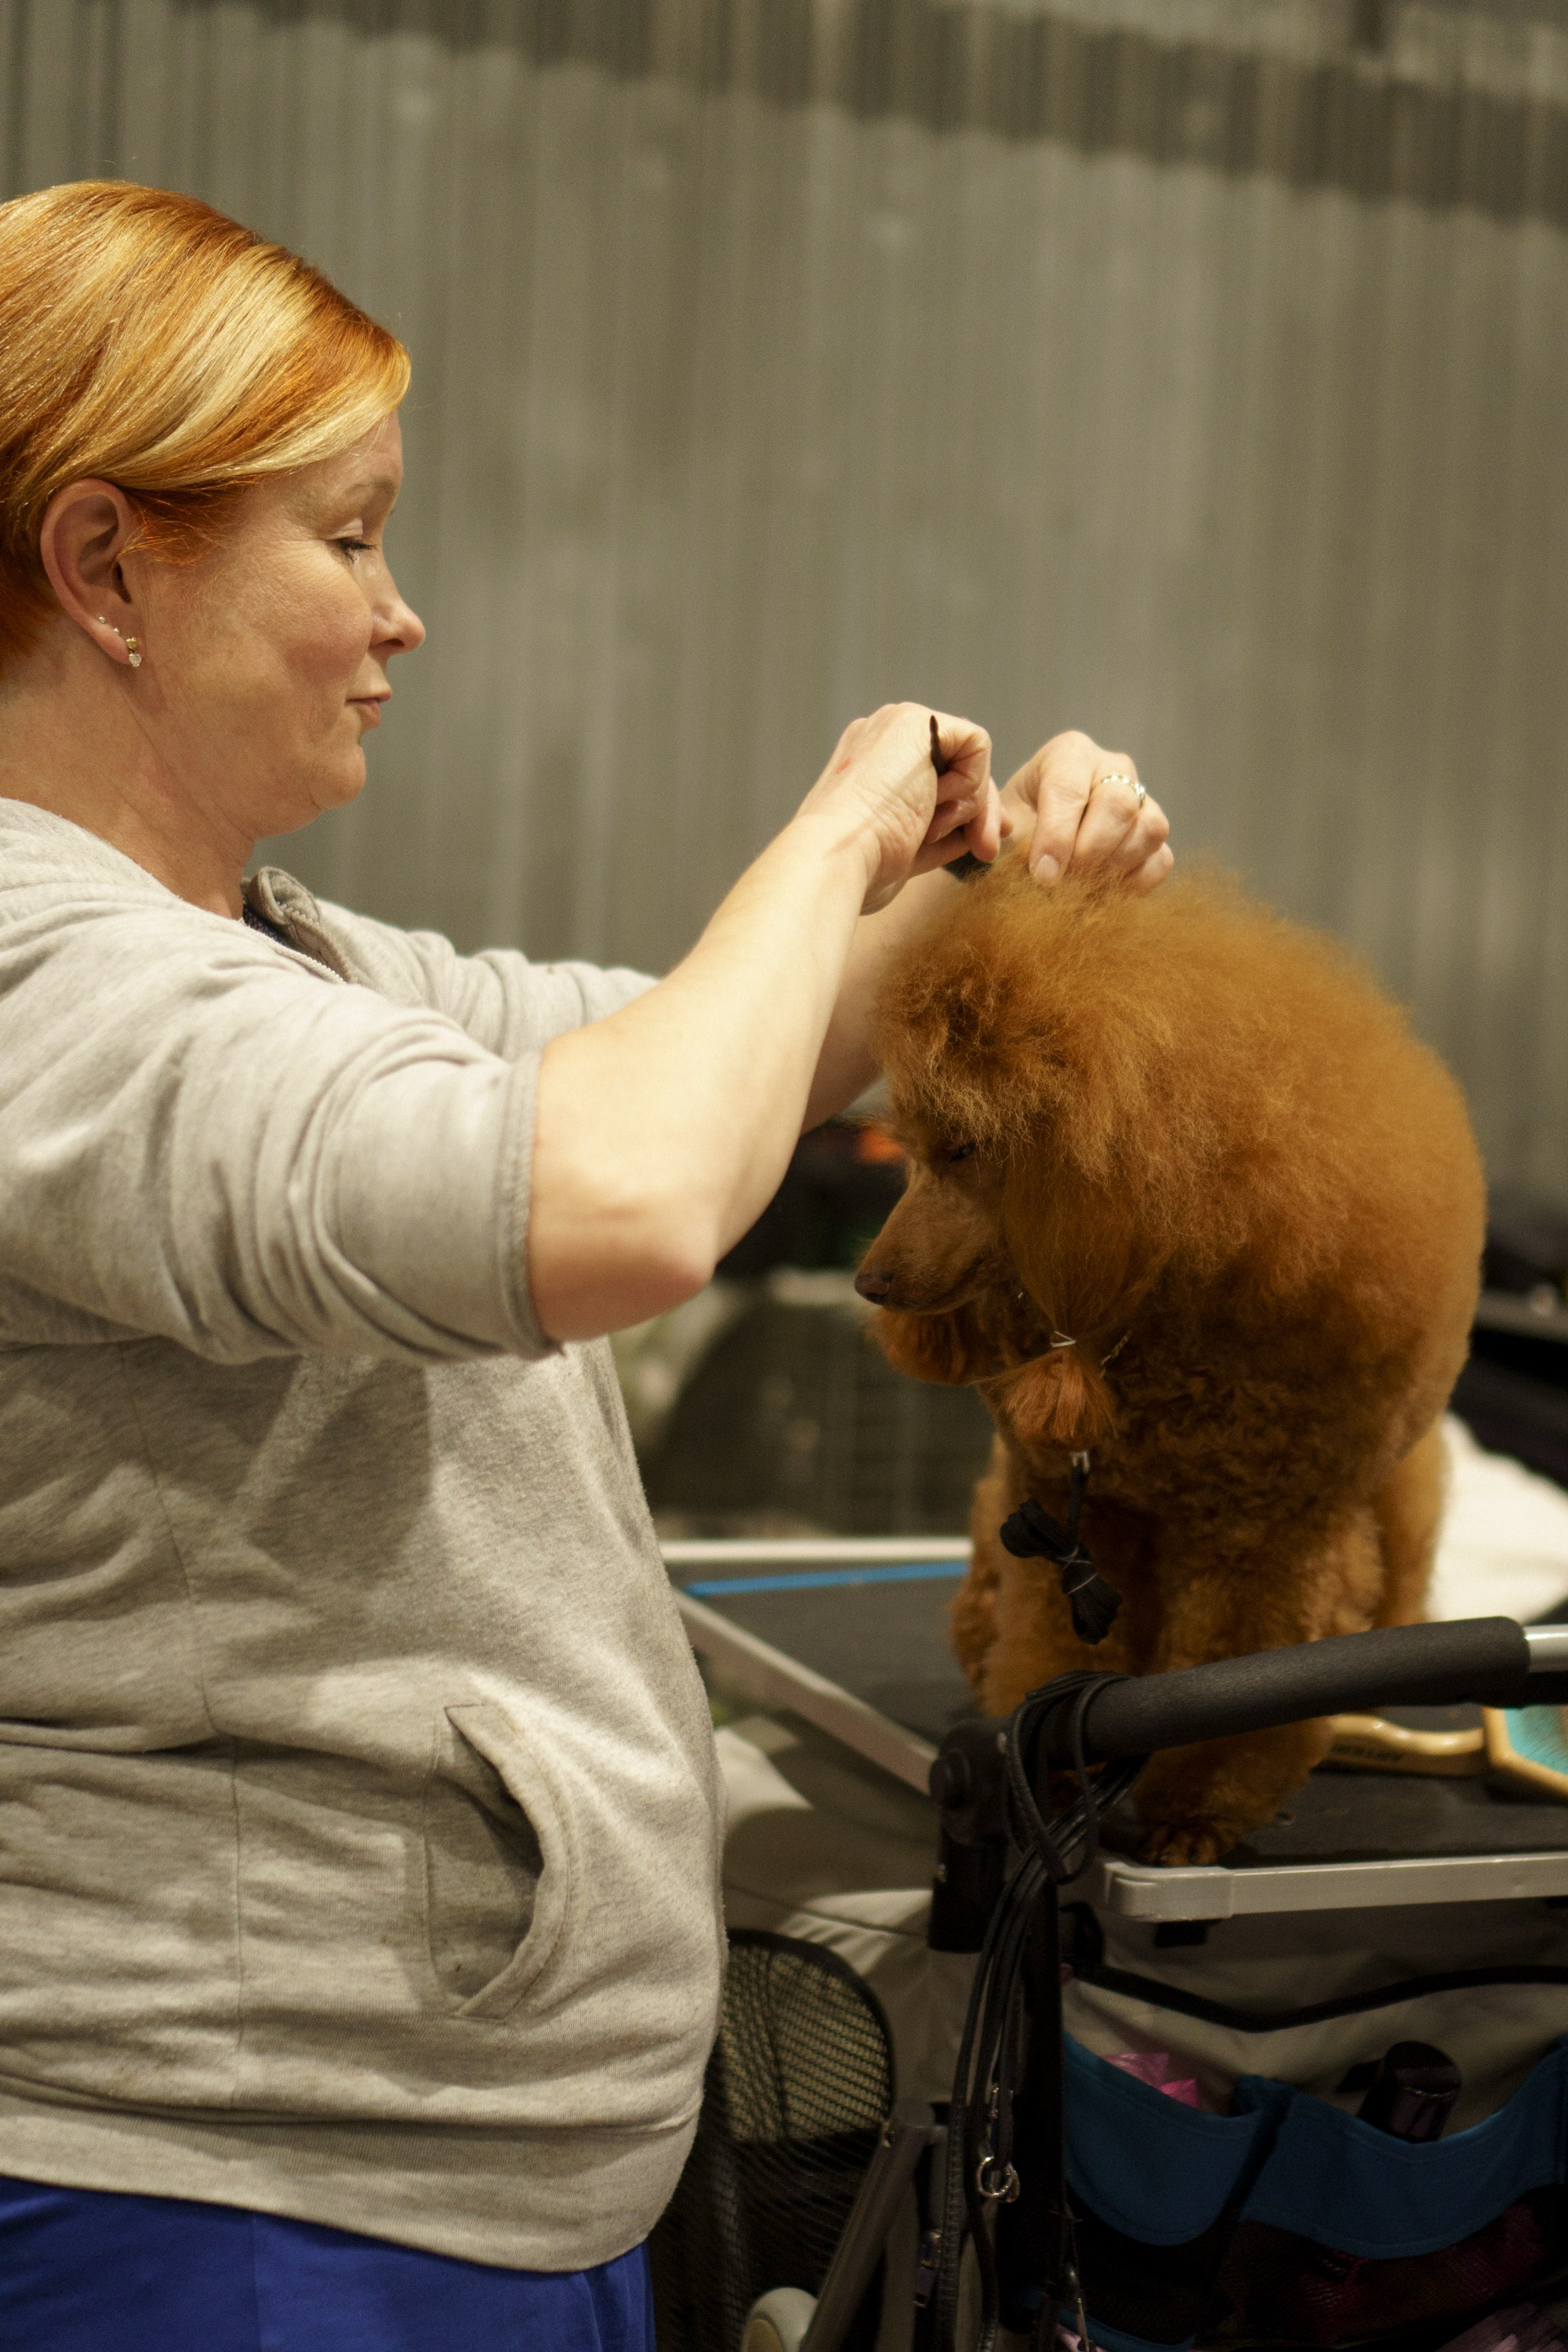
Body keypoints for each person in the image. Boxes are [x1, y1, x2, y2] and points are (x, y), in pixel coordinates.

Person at [0, 180, 1171, 2350]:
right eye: (349, 538)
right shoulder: (40, 989)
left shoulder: (285, 959)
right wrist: (832, 837)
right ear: (104, 567)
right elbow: (626, 1191)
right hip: (240, 2206)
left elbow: (717, 1062)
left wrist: (999, 887)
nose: (403, 614)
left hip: (451, 2169)